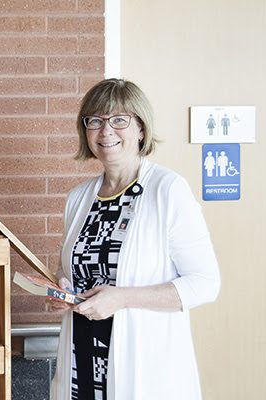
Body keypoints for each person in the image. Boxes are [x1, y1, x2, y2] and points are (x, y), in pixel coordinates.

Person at [49, 78, 220, 400]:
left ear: (141, 129)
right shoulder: (78, 198)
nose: (106, 131)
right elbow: (70, 267)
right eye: (95, 121)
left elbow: (206, 283)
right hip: (82, 360)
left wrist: (122, 298)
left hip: (145, 369)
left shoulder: (167, 190)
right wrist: (62, 287)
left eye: (119, 120)